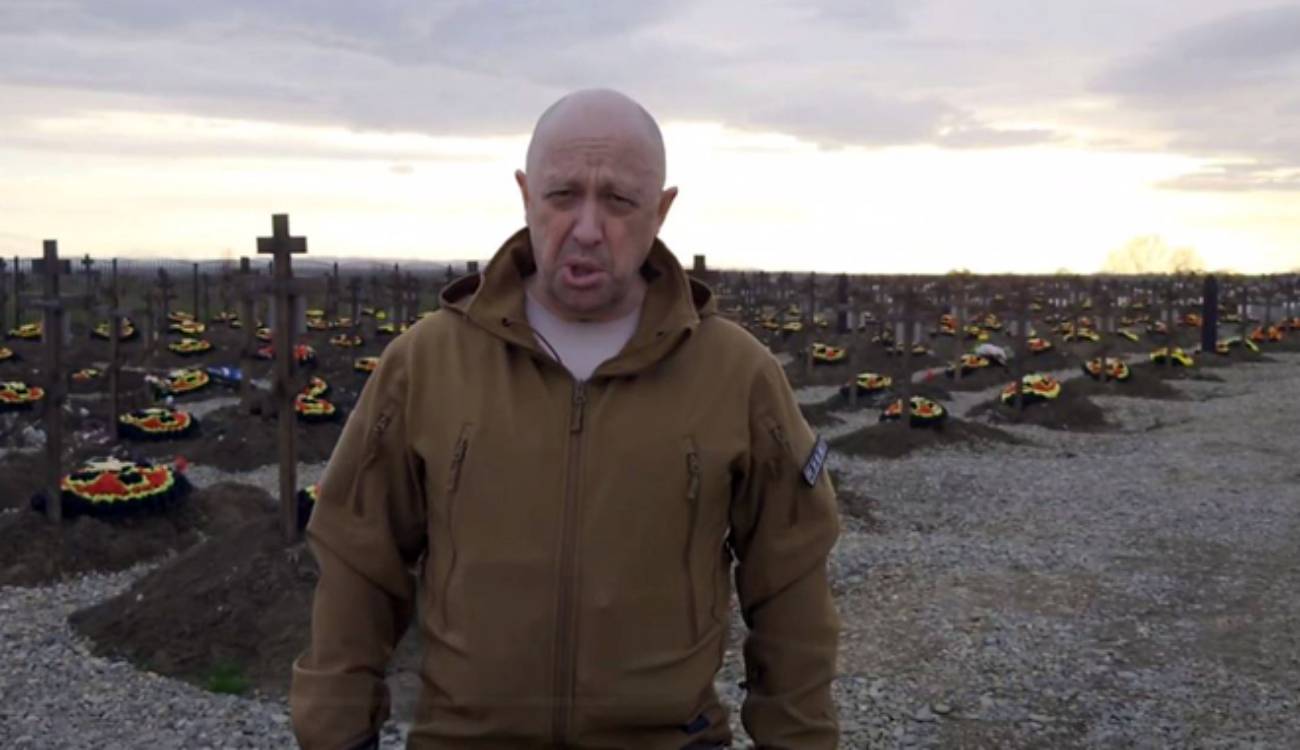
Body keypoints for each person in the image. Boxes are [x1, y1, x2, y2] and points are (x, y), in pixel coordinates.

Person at [290, 88, 842, 749]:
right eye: (562, 195)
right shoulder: (427, 362)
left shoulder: (736, 373)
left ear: (661, 209)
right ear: (526, 195)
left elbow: (790, 584)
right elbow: (357, 561)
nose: (586, 228)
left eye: (619, 200)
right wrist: (337, 732)